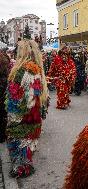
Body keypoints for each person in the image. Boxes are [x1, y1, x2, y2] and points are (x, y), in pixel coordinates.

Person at [5, 40, 49, 178]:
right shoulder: (33, 70)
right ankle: (22, 166)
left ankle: (18, 164)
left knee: (17, 138)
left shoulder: (17, 68)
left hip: (15, 111)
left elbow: (12, 92)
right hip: (27, 113)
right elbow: (33, 96)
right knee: (26, 139)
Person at [47, 44, 76, 109]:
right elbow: (52, 69)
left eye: (66, 50)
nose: (64, 54)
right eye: (63, 50)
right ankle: (61, 104)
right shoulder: (56, 59)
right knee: (62, 91)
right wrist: (49, 77)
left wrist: (72, 75)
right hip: (60, 79)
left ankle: (66, 102)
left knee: (67, 91)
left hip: (68, 79)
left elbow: (73, 68)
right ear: (61, 50)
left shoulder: (69, 59)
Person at [0, 49, 10, 143]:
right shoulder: (6, 71)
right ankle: (3, 135)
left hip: (3, 91)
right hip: (3, 92)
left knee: (3, 114)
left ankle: (2, 135)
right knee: (3, 114)